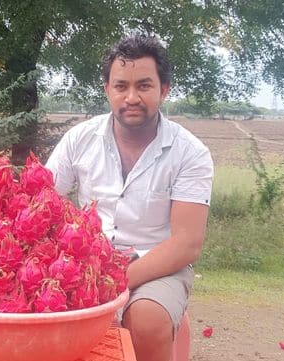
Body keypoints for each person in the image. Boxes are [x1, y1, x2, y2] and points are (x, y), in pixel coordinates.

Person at [45, 34, 214, 361]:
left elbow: (187, 243)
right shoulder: (80, 139)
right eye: (121, 86)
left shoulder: (190, 153)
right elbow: (41, 202)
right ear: (107, 90)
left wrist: (110, 282)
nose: (132, 97)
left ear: (164, 90)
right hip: (86, 258)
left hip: (158, 263)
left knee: (148, 318)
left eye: (144, 86)